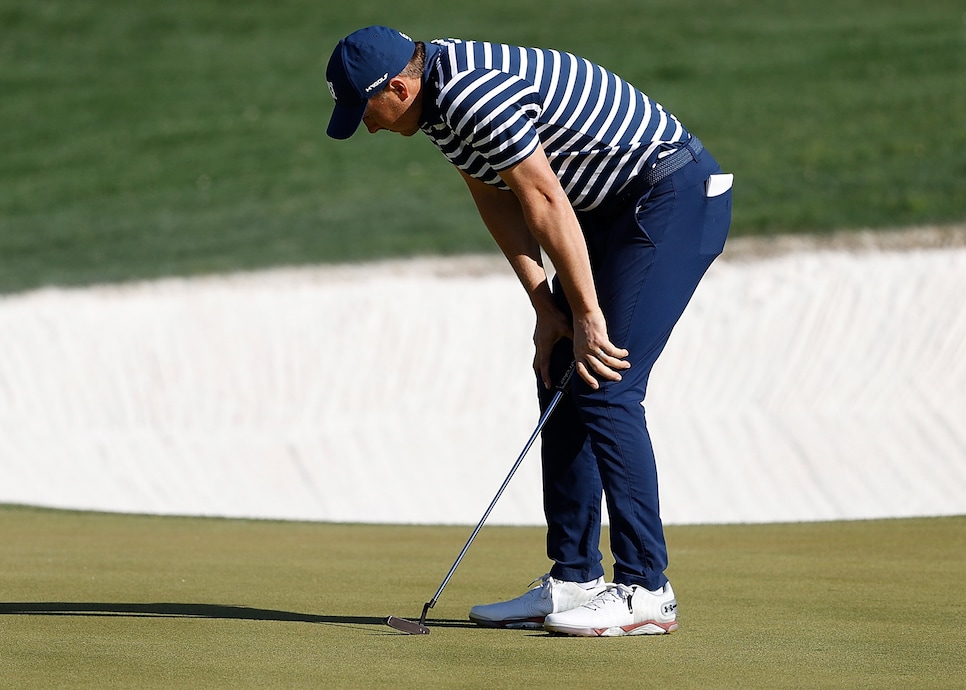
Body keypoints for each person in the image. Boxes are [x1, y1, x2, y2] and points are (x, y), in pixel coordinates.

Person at [325, 26, 732, 637]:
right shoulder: (435, 106)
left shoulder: (471, 94)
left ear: (400, 88)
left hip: (669, 192)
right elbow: (495, 199)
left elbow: (542, 199)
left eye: (368, 111)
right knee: (560, 371)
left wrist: (589, 316)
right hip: (611, 211)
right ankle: (573, 581)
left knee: (605, 380)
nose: (370, 127)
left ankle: (648, 589)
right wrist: (546, 308)